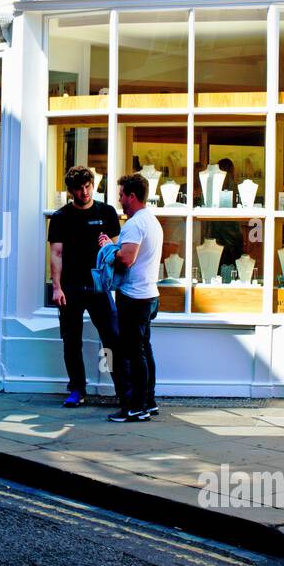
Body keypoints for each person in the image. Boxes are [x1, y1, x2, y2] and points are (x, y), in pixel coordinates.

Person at [48, 165, 123, 408]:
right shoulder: (61, 217)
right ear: (70, 191)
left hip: (100, 286)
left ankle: (122, 389)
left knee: (111, 338)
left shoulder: (107, 212)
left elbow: (116, 252)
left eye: (88, 186)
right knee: (72, 341)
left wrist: (108, 246)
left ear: (93, 185)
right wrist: (56, 287)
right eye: (79, 188)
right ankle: (77, 389)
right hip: (71, 287)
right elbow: (56, 253)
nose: (84, 192)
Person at [99, 173, 163, 423]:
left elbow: (127, 259)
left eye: (122, 195)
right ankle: (149, 401)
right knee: (144, 349)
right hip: (149, 295)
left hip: (135, 297)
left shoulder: (136, 224)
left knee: (134, 354)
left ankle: (136, 406)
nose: (120, 200)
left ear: (132, 196)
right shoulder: (151, 220)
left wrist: (106, 248)